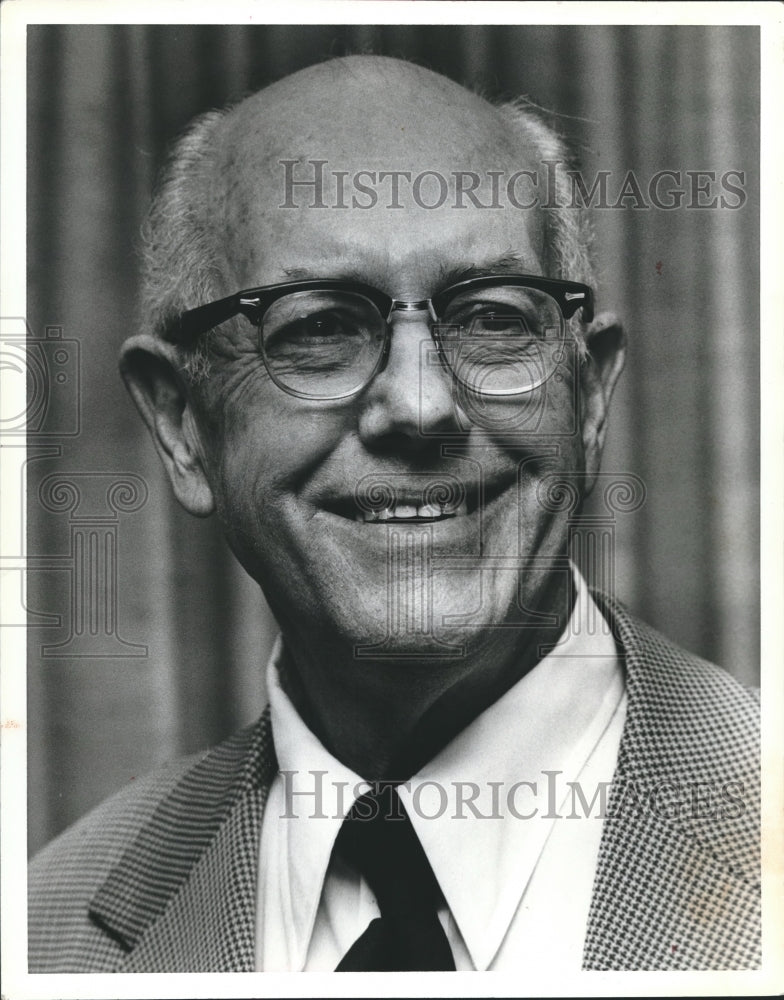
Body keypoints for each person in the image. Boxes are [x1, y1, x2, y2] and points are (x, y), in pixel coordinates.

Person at [28, 54, 759, 973]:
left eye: (493, 317)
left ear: (590, 396)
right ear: (182, 424)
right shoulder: (46, 930)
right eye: (319, 326)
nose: (420, 406)